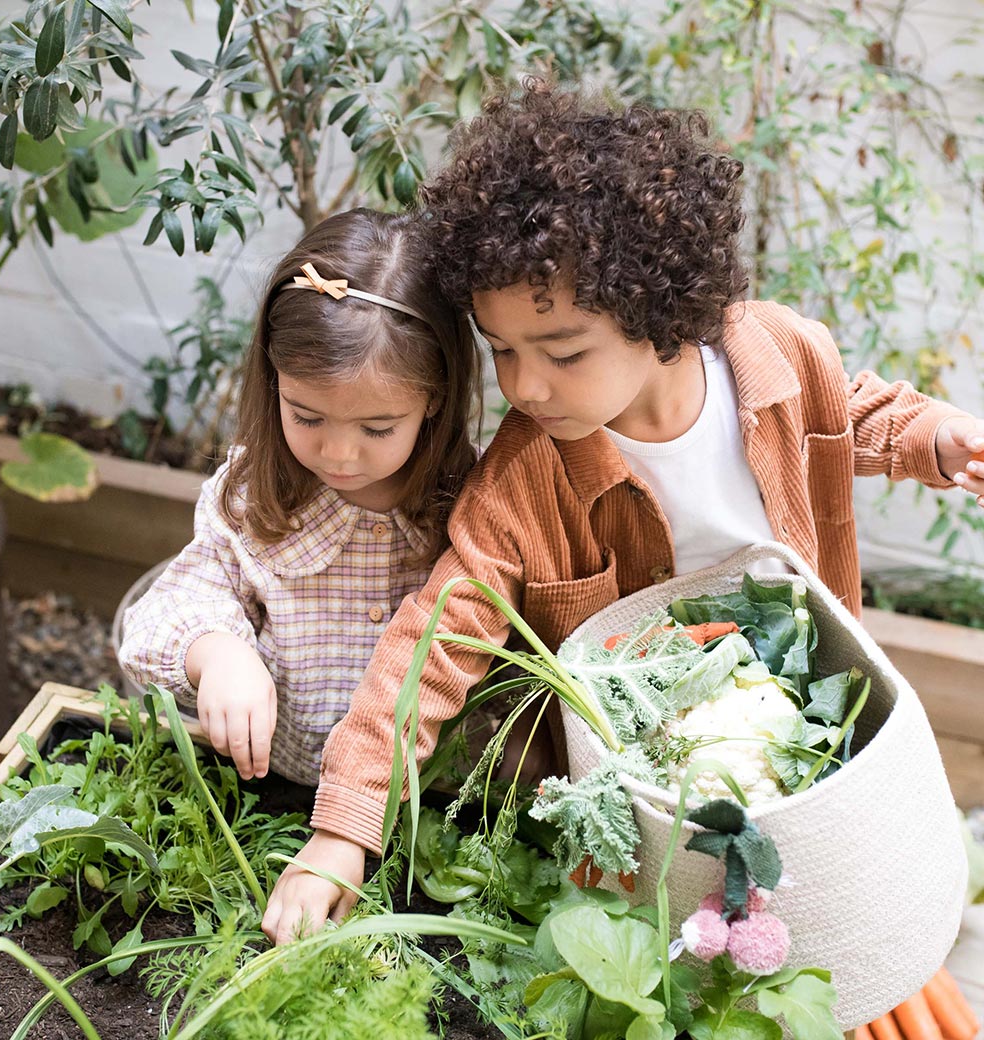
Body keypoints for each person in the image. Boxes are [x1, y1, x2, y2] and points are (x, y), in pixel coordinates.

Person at [261, 80, 984, 944]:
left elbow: (844, 416)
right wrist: (344, 830)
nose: (524, 387)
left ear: (657, 311)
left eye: (562, 352)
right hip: (643, 784)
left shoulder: (783, 356)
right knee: (687, 945)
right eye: (502, 352)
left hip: (796, 714)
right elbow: (434, 638)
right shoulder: (525, 478)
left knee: (845, 920)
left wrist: (931, 437)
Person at [119, 208, 481, 790]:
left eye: (377, 428)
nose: (338, 453)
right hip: (276, 785)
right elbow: (157, 619)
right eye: (306, 416)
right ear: (275, 379)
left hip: (426, 803)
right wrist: (217, 654)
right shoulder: (254, 497)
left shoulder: (466, 502)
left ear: (434, 400)